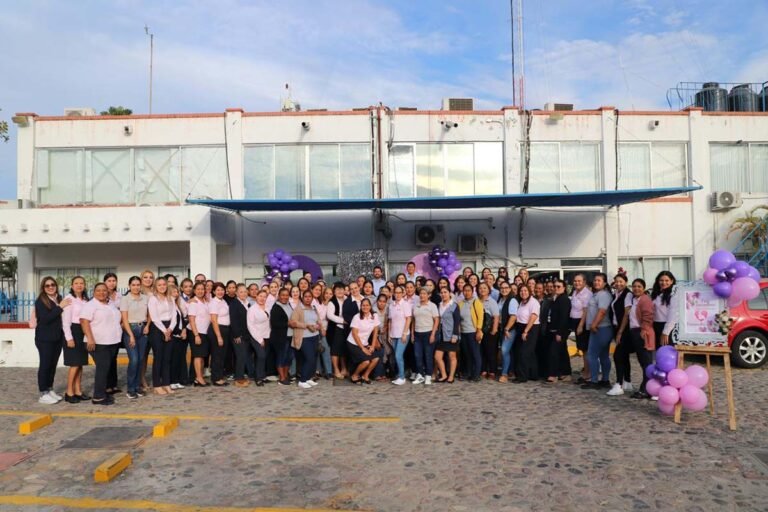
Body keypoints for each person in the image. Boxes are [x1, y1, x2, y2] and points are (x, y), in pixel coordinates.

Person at [80, 282, 122, 405]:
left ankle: (104, 392)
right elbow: (84, 322)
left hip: (112, 341)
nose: (101, 293)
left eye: (104, 290)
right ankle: (98, 396)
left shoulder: (111, 304)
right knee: (102, 369)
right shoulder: (90, 305)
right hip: (98, 342)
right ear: (93, 292)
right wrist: (90, 338)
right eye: (98, 290)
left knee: (107, 368)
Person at [34, 277, 69, 404]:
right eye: (47, 285)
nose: (50, 287)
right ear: (43, 288)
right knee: (45, 365)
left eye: (52, 284)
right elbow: (45, 318)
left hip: (57, 337)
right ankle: (43, 392)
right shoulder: (40, 301)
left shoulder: (59, 298)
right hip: (44, 339)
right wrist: (60, 307)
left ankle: (49, 388)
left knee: (53, 365)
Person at [580, 273, 614, 390]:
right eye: (595, 280)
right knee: (603, 355)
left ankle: (594, 380)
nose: (596, 282)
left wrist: (594, 325)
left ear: (604, 283)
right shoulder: (596, 294)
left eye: (599, 280)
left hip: (601, 328)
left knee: (592, 355)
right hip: (600, 328)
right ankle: (605, 380)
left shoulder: (604, 295)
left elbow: (602, 311)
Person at [61, 276, 89, 403]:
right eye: (76, 283)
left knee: (81, 363)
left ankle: (78, 390)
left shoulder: (85, 300)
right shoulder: (69, 299)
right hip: (73, 331)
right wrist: (69, 338)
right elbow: (65, 322)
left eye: (81, 283)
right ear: (72, 286)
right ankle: (69, 392)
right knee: (74, 364)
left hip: (83, 332)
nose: (79, 285)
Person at [120, 276, 149, 399]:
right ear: (129, 285)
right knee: (134, 360)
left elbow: (150, 314)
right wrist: (131, 335)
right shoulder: (125, 299)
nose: (136, 287)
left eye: (138, 285)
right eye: (133, 285)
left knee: (141, 359)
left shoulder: (146, 298)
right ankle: (130, 388)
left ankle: (137, 387)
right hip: (130, 330)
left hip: (143, 329)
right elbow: (124, 319)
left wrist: (148, 325)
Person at [148, 277, 177, 395]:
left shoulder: (171, 299)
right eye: (159, 285)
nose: (162, 287)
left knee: (167, 358)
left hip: (169, 327)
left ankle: (166, 383)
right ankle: (157, 385)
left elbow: (174, 315)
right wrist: (164, 331)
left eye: (164, 284)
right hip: (157, 328)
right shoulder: (153, 299)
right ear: (156, 286)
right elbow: (154, 317)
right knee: (159, 357)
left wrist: (170, 329)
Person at [628, 279, 657, 399]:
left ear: (644, 288)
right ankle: (646, 388)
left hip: (642, 332)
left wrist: (644, 330)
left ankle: (646, 389)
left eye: (639, 286)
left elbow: (648, 316)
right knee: (642, 362)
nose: (636, 289)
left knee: (646, 362)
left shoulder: (645, 299)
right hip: (635, 331)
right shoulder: (635, 299)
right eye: (634, 286)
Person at [607, 273, 634, 396]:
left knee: (618, 356)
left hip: (625, 330)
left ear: (626, 282)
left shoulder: (628, 294)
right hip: (617, 328)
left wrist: (620, 332)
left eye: (621, 281)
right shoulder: (616, 295)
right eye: (616, 282)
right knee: (623, 356)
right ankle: (627, 381)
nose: (618, 284)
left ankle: (619, 384)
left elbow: (626, 314)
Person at [289, 290, 321, 389]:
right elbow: (292, 323)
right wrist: (306, 325)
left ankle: (308, 378)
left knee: (313, 358)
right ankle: (302, 380)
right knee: (309, 358)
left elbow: (318, 320)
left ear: (312, 298)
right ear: (302, 298)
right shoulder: (298, 309)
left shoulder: (314, 308)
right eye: (306, 296)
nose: (308, 298)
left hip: (315, 336)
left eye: (309, 296)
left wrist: (319, 326)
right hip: (304, 338)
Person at [347, 298, 380, 384]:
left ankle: (365, 376)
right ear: (361, 307)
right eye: (363, 305)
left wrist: (372, 346)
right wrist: (363, 348)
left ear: (370, 306)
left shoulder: (374, 316)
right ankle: (354, 376)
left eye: (367, 305)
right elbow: (354, 334)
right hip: (353, 343)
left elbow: (375, 331)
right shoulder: (357, 317)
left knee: (376, 358)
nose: (365, 307)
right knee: (366, 362)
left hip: (364, 343)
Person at [545, 279, 572, 383]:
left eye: (558, 286)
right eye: (554, 286)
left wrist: (559, 332)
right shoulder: (555, 299)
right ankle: (566, 373)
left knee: (554, 352)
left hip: (560, 331)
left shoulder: (564, 299)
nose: (556, 288)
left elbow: (564, 317)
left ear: (564, 288)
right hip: (553, 329)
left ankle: (553, 374)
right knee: (562, 352)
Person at [411, 288, 439, 385]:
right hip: (418, 334)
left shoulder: (432, 306)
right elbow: (413, 320)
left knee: (428, 356)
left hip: (428, 333)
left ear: (428, 295)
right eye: (421, 294)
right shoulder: (416, 306)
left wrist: (433, 334)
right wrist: (412, 333)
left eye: (424, 293)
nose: (422, 295)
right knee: (417, 355)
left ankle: (428, 375)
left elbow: (436, 321)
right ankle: (420, 375)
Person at [512, 285, 540, 383]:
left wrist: (526, 331)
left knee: (523, 353)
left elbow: (533, 316)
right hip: (521, 327)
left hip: (530, 328)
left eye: (525, 290)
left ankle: (522, 376)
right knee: (529, 353)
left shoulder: (533, 302)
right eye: (521, 291)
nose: (523, 292)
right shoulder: (522, 302)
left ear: (529, 291)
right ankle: (533, 374)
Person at [457, 284, 483, 382]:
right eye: (465, 290)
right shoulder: (461, 303)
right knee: (467, 354)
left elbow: (480, 317)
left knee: (475, 354)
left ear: (472, 291)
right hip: (464, 332)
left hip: (473, 332)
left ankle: (476, 375)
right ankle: (468, 373)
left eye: (469, 290)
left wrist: (479, 330)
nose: (466, 292)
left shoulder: (476, 302)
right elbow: (459, 318)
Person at [229, 283, 254, 387]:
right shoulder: (234, 304)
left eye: (244, 291)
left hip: (247, 334)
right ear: (236, 293)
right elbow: (233, 321)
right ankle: (238, 379)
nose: (243, 293)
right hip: (238, 335)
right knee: (240, 356)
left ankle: (241, 376)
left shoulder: (247, 303)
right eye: (241, 292)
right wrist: (237, 335)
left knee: (244, 356)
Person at [569, 273, 593, 383]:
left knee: (585, 349)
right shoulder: (575, 292)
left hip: (582, 323)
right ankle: (586, 371)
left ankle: (587, 373)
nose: (577, 283)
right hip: (575, 321)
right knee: (582, 349)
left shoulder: (587, 294)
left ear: (584, 282)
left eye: (579, 281)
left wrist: (580, 325)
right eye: (575, 281)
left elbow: (585, 311)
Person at [434, 287, 461, 383]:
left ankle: (451, 376)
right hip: (441, 335)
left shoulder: (454, 305)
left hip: (451, 334)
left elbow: (457, 321)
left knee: (452, 356)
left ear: (449, 293)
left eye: (445, 292)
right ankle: (444, 374)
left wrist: (455, 335)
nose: (443, 294)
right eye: (441, 292)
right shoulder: (439, 305)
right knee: (437, 356)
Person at [187, 282, 211, 387]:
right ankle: (199, 378)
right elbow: (191, 320)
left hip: (205, 332)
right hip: (196, 332)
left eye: (202, 289)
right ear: (194, 291)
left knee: (202, 356)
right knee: (197, 356)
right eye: (198, 289)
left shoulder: (205, 301)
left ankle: (198, 377)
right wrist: (196, 335)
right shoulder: (194, 303)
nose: (200, 291)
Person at [388, 285, 412, 385]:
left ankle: (402, 377)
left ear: (403, 293)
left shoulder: (405, 304)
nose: (397, 294)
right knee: (397, 356)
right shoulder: (391, 305)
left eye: (399, 292)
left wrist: (404, 333)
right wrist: (389, 334)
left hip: (403, 334)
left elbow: (409, 319)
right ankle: (400, 374)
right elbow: (390, 320)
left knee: (398, 355)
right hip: (394, 334)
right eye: (396, 292)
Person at [246, 289, 271, 386]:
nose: (262, 298)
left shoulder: (267, 307)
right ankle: (258, 378)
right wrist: (260, 339)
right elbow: (250, 325)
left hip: (267, 335)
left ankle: (262, 375)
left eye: (264, 297)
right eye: (260, 296)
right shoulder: (252, 309)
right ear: (256, 297)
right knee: (261, 356)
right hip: (256, 336)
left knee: (263, 357)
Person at [270, 287, 294, 386]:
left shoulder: (289, 305)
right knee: (281, 357)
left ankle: (285, 375)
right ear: (279, 296)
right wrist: (287, 324)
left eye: (286, 295)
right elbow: (274, 323)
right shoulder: (275, 307)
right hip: (280, 337)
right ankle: (282, 377)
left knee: (289, 357)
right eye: (282, 295)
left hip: (291, 335)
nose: (285, 297)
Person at [208, 282, 231, 387]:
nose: (220, 292)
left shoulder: (223, 301)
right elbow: (213, 320)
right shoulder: (214, 303)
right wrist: (219, 336)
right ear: (213, 291)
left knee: (222, 355)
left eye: (222, 289)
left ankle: (220, 375)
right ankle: (216, 378)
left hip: (225, 329)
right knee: (217, 355)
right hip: (217, 330)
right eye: (218, 290)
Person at [477, 282, 500, 379]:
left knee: (490, 351)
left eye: (484, 288)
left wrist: (494, 329)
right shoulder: (477, 301)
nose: (482, 290)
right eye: (480, 288)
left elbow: (496, 316)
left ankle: (492, 371)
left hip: (490, 329)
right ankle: (483, 370)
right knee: (481, 350)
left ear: (488, 290)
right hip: (479, 329)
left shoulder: (492, 301)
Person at [103, 272, 121, 394]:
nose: (112, 283)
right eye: (109, 280)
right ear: (105, 282)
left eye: (114, 280)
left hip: (117, 330)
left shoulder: (120, 295)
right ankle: (106, 385)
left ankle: (113, 384)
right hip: (105, 331)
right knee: (106, 359)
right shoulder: (102, 295)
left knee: (114, 358)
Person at [169, 283, 189, 391]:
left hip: (179, 336)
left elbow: (182, 320)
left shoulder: (177, 305)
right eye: (173, 292)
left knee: (178, 360)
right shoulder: (170, 305)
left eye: (177, 292)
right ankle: (172, 381)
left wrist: (184, 330)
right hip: (174, 336)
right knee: (173, 360)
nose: (176, 294)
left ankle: (176, 380)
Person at [498, 280, 518, 383]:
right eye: (502, 288)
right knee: (508, 351)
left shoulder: (512, 300)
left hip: (510, 330)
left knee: (504, 350)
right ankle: (511, 371)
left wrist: (507, 328)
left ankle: (504, 374)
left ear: (510, 289)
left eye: (506, 288)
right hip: (502, 328)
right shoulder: (501, 300)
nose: (504, 290)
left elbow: (513, 316)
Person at [325, 282, 347, 379]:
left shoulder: (347, 299)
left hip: (345, 329)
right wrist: (343, 321)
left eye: (341, 289)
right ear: (334, 291)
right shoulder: (332, 302)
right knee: (335, 350)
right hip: (335, 329)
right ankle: (336, 370)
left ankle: (344, 369)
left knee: (343, 350)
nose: (340, 291)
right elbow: (330, 315)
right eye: (337, 289)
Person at [651, 271, 677, 348]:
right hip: (655, 325)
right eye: (661, 280)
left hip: (667, 327)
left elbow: (673, 315)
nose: (664, 283)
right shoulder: (656, 294)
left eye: (667, 280)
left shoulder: (674, 295)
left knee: (666, 350)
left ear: (672, 281)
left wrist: (666, 332)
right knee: (658, 351)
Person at [534, 282, 552, 379]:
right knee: (536, 351)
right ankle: (537, 372)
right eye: (536, 288)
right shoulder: (531, 299)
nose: (538, 290)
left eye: (540, 288)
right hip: (534, 328)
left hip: (544, 328)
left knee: (545, 351)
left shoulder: (548, 300)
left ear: (543, 289)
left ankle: (545, 372)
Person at [315, 286, 333, 379]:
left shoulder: (333, 305)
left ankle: (328, 371)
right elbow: (318, 317)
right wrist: (322, 328)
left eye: (330, 294)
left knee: (325, 349)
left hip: (328, 330)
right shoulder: (320, 304)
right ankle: (322, 371)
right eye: (326, 293)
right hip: (320, 329)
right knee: (320, 349)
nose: (328, 295)